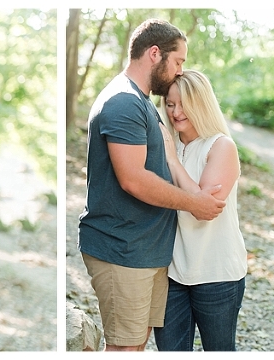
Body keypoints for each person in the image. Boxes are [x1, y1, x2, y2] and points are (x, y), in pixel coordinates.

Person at [77, 19, 226, 351]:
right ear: (155, 53)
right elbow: (133, 180)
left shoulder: (141, 102)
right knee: (124, 348)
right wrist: (195, 203)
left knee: (136, 345)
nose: (179, 71)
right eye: (178, 61)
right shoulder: (123, 102)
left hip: (144, 253)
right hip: (122, 249)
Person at [153, 69, 247, 351]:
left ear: (201, 104)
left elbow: (202, 208)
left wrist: (171, 158)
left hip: (217, 274)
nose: (176, 112)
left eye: (184, 104)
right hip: (172, 273)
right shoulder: (166, 145)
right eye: (170, 104)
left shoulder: (221, 146)